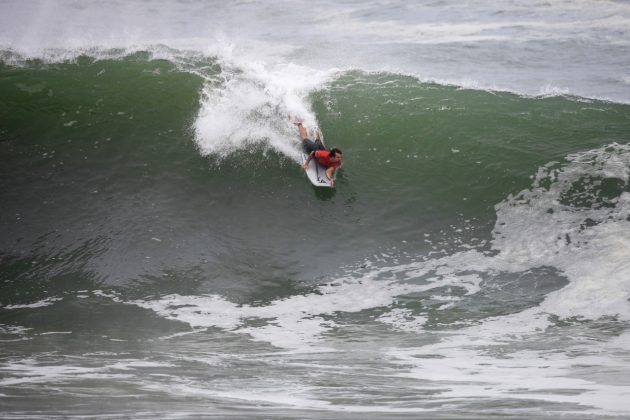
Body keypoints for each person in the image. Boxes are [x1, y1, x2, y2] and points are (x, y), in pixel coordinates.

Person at [293, 118, 343, 187]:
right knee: (304, 138)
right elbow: (313, 153)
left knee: (318, 140)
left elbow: (328, 172)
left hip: (322, 149)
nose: (340, 158)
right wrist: (306, 164)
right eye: (338, 157)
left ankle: (315, 128)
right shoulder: (323, 155)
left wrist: (330, 180)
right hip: (314, 149)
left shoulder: (336, 162)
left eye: (340, 157)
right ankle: (299, 123)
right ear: (332, 157)